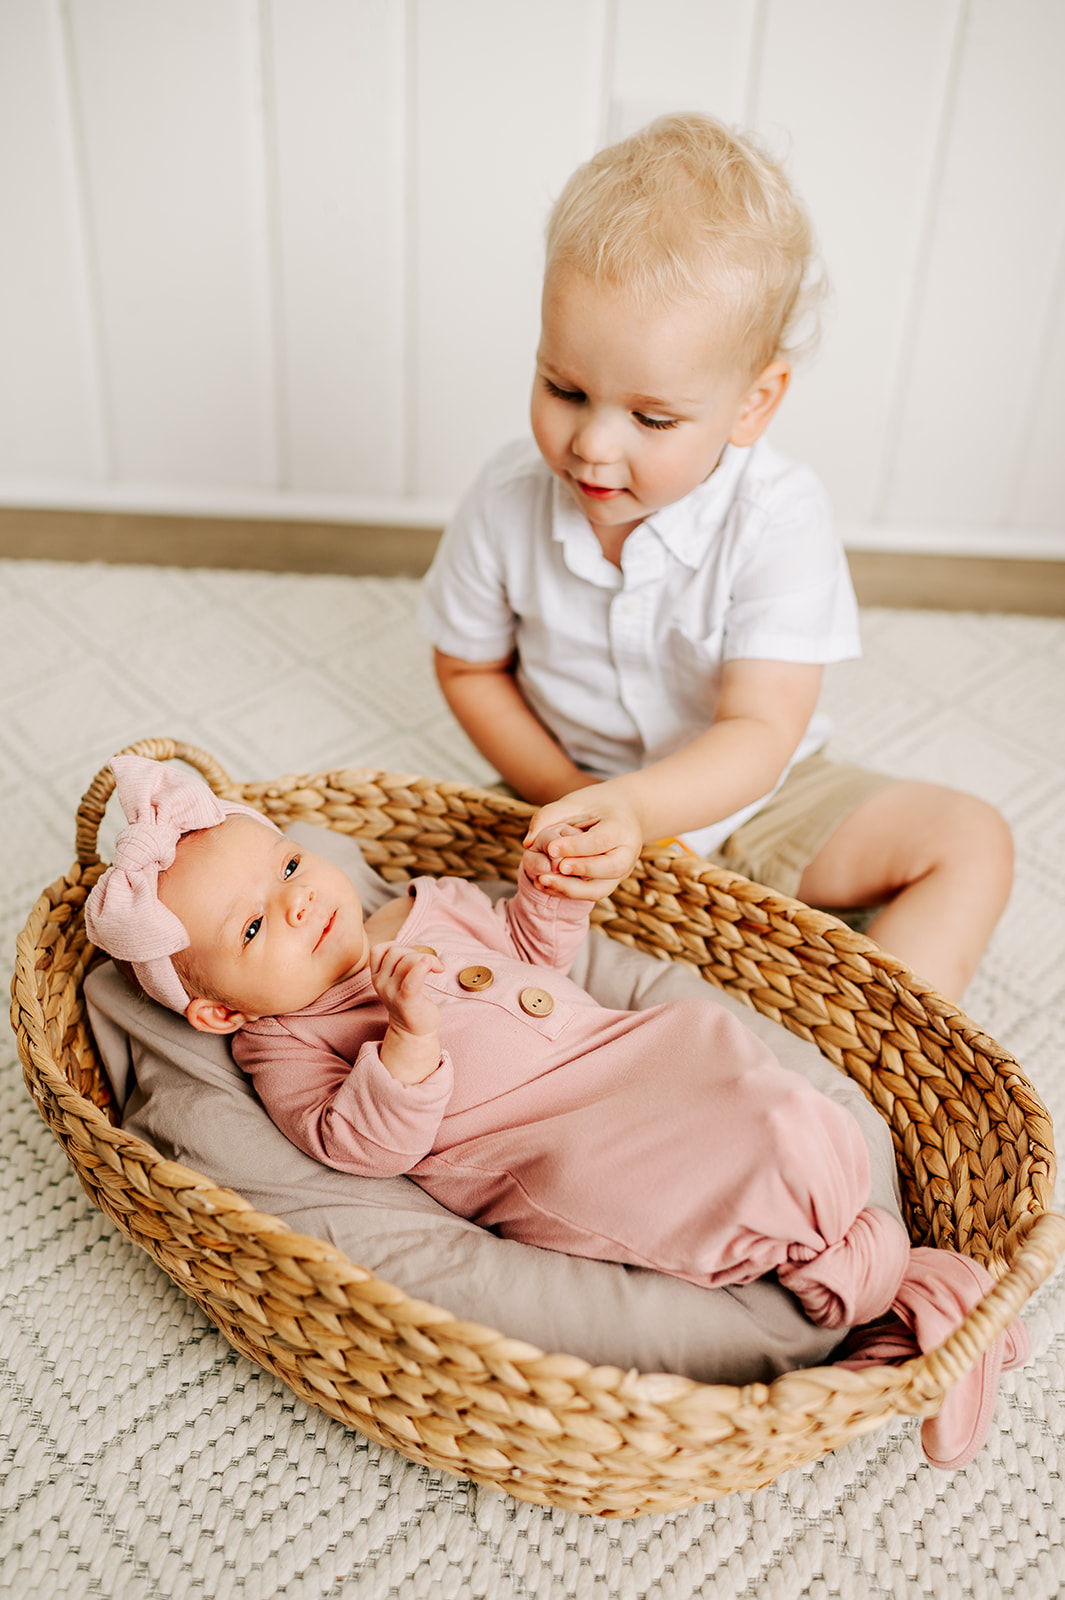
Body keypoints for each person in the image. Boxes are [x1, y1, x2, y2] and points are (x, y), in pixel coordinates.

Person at [85, 754, 1027, 1470]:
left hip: (630, 1060)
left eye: (289, 869)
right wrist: (405, 1046)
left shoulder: (428, 901)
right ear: (218, 1011)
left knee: (738, 1073)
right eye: (252, 927)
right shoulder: (282, 1043)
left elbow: (540, 959)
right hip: (549, 1145)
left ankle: (886, 1269)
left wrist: (548, 899)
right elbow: (354, 1147)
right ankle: (860, 1298)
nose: (295, 906)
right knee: (661, 1189)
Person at [418, 113, 1013, 1001]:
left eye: (651, 418)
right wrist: (578, 799)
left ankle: (883, 1036)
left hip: (758, 799)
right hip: (559, 789)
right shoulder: (506, 497)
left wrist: (641, 813)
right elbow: (468, 666)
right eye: (563, 389)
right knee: (424, 900)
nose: (593, 446)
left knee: (970, 840)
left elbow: (760, 730)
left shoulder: (778, 518)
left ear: (753, 403)